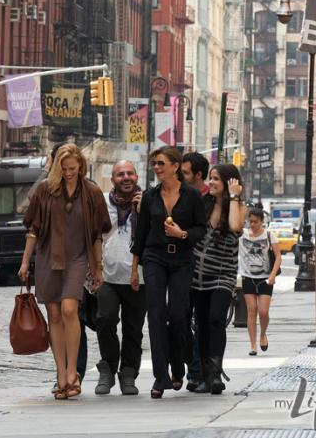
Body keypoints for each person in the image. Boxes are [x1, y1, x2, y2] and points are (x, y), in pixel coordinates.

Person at [18, 144, 111, 400]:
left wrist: (98, 266)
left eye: (73, 168)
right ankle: (60, 373)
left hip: (78, 259)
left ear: (81, 165)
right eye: (64, 168)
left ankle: (73, 372)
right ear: (57, 166)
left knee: (70, 309)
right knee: (55, 314)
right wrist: (25, 262)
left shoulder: (91, 192)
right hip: (48, 259)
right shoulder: (45, 190)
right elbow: (33, 229)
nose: (69, 172)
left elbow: (96, 234)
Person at [131, 146, 206, 399]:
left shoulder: (192, 195)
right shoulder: (150, 196)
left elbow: (201, 229)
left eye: (161, 163)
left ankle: (177, 365)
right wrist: (134, 269)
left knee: (178, 314)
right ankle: (160, 376)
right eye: (154, 164)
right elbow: (140, 235)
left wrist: (182, 234)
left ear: (175, 166)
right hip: (154, 257)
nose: (156, 168)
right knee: (155, 314)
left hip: (182, 259)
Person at [191, 163, 247, 394]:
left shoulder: (240, 207)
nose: (210, 182)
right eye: (210, 178)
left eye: (215, 179)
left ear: (228, 182)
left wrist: (233, 197)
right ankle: (205, 375)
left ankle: (215, 373)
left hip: (223, 275)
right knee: (201, 325)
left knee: (216, 319)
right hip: (197, 276)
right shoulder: (203, 204)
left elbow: (234, 226)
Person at [95, 160, 146, 396]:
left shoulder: (148, 201)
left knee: (133, 329)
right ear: (113, 179)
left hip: (140, 278)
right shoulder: (102, 203)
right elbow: (94, 234)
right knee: (105, 319)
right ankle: (107, 368)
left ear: (136, 177)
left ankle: (128, 374)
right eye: (120, 174)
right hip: (107, 276)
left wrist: (142, 211)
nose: (126, 177)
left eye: (130, 173)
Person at [181, 151, 210, 392]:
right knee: (178, 319)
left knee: (202, 323)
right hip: (181, 267)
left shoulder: (210, 198)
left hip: (205, 270)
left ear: (198, 175)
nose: (181, 175)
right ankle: (188, 367)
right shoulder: (178, 194)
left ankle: (199, 371)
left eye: (186, 172)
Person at [239, 207, 281, 357]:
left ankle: (263, 334)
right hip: (247, 277)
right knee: (252, 311)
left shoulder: (270, 236)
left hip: (265, 279)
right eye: (250, 221)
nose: (252, 224)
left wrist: (273, 275)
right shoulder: (242, 235)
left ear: (262, 222)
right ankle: (253, 345)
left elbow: (278, 257)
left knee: (263, 312)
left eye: (255, 222)